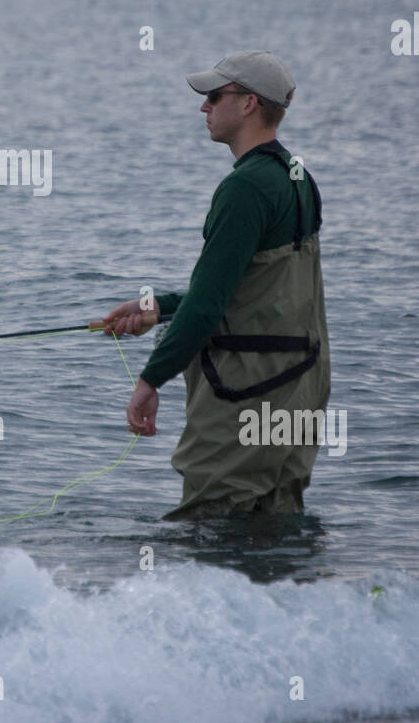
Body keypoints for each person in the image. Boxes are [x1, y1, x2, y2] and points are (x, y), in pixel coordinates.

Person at [99, 51, 330, 519]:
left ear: (248, 104)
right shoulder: (297, 178)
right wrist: (156, 309)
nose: (204, 107)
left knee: (212, 525)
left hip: (244, 390)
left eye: (213, 96)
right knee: (274, 522)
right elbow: (258, 293)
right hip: (298, 386)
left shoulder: (244, 188)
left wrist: (150, 380)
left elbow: (206, 308)